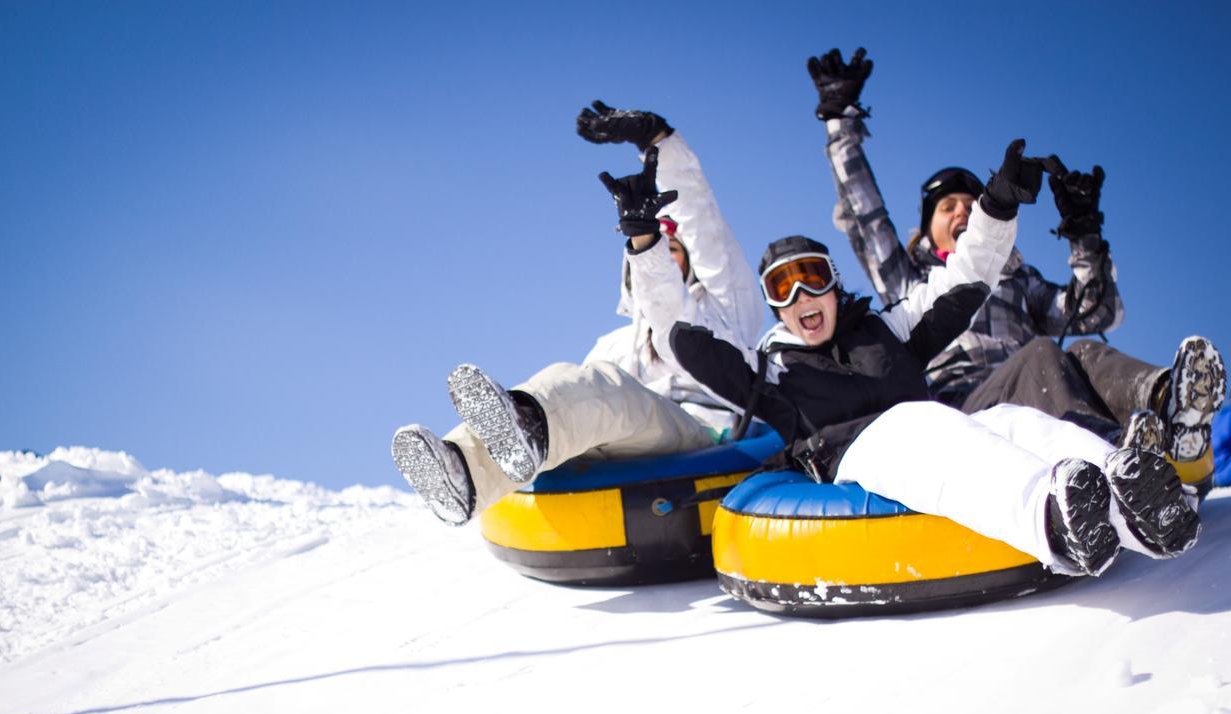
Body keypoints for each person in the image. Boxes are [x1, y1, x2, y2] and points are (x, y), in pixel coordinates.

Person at [664, 137, 1201, 578]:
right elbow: (683, 335)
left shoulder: (885, 326)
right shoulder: (769, 368)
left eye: (813, 277)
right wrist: (646, 249)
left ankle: (1132, 497)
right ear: (773, 306)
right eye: (783, 287)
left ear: (834, 284)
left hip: (938, 421)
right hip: (861, 453)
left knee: (1012, 421)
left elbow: (964, 280)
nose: (801, 296)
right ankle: (1052, 518)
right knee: (918, 427)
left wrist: (998, 206)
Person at [806, 47, 1226, 480]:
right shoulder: (908, 280)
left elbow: (1096, 312)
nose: (962, 213)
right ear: (927, 230)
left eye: (970, 204)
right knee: (1041, 354)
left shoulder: (1017, 280)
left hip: (1038, 396)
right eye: (947, 207)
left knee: (1079, 351)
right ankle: (1116, 456)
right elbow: (866, 215)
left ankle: (1171, 400)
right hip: (964, 410)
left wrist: (1084, 236)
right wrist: (841, 124)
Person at [391, 103, 762, 526]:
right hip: (630, 439)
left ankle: (524, 427)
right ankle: (462, 470)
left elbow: (703, 225)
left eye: (672, 252)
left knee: (606, 390)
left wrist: (659, 142)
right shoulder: (615, 343)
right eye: (655, 252)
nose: (664, 259)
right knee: (573, 382)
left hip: (702, 437)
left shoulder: (723, 309)